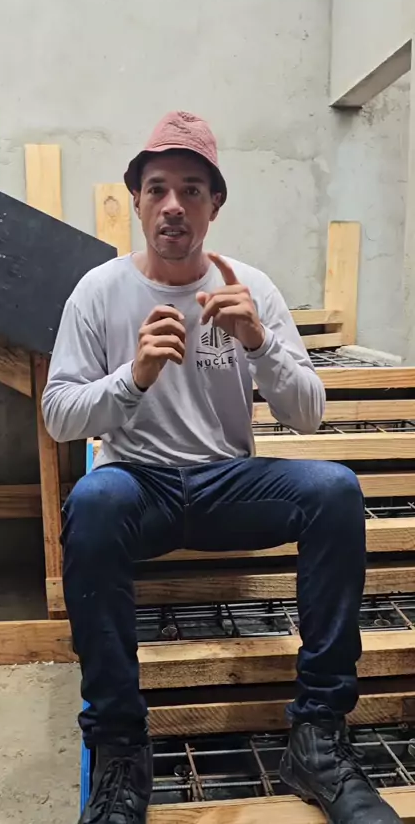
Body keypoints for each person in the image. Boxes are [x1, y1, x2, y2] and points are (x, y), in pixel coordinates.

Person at [42, 111, 402, 824]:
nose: (173, 204)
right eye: (157, 189)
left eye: (191, 189)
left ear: (215, 204)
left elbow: (309, 414)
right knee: (93, 502)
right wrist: (132, 379)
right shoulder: (99, 291)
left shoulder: (251, 287)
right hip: (137, 482)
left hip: (227, 483)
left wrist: (260, 343)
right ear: (137, 201)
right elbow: (59, 415)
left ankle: (318, 738)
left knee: (335, 489)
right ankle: (120, 749)